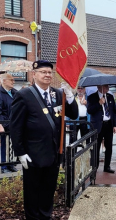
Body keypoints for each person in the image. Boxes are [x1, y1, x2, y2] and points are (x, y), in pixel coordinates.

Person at [9, 60, 78, 220]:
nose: (47, 75)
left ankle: (45, 216)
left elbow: (73, 114)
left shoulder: (58, 94)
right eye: (43, 72)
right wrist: (20, 152)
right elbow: (16, 127)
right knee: (32, 192)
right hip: (33, 154)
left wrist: (69, 96)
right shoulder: (24, 95)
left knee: (48, 190)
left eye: (49, 72)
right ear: (34, 74)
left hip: (53, 153)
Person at [87, 84, 116, 173]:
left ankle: (107, 166)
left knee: (109, 147)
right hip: (97, 125)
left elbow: (114, 112)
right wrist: (99, 103)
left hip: (108, 124)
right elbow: (89, 110)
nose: (107, 88)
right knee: (96, 147)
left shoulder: (110, 96)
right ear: (99, 87)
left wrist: (115, 125)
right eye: (105, 86)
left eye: (107, 86)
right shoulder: (92, 97)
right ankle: (94, 167)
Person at [0, 73, 18, 173]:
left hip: (15, 123)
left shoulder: (15, 92)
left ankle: (11, 164)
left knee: (13, 145)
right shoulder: (0, 93)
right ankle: (4, 166)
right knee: (5, 145)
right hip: (6, 124)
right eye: (11, 80)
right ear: (4, 81)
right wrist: (3, 124)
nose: (13, 82)